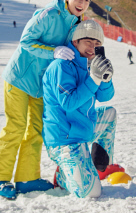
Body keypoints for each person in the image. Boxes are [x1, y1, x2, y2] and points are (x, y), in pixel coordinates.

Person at [0, 0, 94, 200]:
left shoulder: (78, 23)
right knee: (15, 126)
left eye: (87, 0)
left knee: (35, 130)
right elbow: (26, 41)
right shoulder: (49, 14)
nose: (82, 3)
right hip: (20, 77)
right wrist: (53, 51)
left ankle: (27, 178)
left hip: (42, 84)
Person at [42, 20, 125, 198]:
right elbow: (69, 103)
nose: (92, 48)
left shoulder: (89, 65)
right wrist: (94, 79)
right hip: (64, 141)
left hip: (83, 131)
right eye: (88, 41)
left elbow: (105, 97)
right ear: (75, 42)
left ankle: (97, 167)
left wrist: (106, 78)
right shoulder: (61, 66)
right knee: (92, 193)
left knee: (110, 113)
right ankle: (63, 175)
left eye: (97, 44)